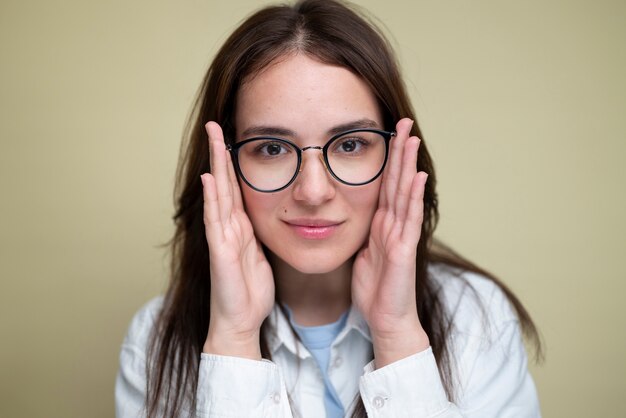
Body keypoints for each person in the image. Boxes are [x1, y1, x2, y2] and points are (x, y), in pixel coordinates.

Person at [115, 0, 542, 417]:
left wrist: (398, 336)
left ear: (395, 155)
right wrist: (234, 339)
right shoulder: (154, 340)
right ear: (224, 162)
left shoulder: (476, 319)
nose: (314, 191)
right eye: (271, 147)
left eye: (351, 144)